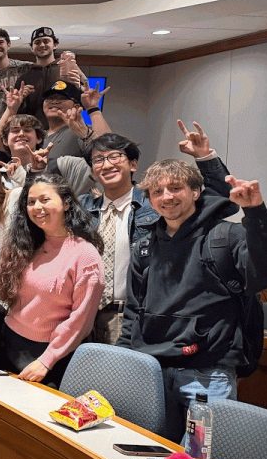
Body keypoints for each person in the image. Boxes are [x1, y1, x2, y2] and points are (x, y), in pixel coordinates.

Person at [122, 161, 267, 433]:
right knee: (149, 454)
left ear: (195, 192)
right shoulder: (144, 246)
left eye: (175, 188)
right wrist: (126, 360)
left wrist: (256, 213)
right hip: (152, 368)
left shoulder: (226, 236)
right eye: (157, 191)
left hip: (208, 374)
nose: (167, 197)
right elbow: (133, 309)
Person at [81, 123, 231, 344]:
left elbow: (221, 201)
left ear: (133, 164)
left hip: (133, 314)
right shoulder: (84, 207)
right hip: (85, 314)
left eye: (114, 157)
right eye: (98, 160)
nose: (106, 165)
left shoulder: (156, 202)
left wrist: (205, 157)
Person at [0, 174, 104, 384]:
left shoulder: (85, 255)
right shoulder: (24, 244)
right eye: (31, 202)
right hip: (7, 343)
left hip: (48, 358)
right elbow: (1, 293)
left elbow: (81, 321)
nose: (37, 207)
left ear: (66, 203)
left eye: (45, 200)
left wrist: (46, 361)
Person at [17, 27, 87, 119]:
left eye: (46, 41)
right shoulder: (25, 77)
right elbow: (17, 111)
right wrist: (21, 100)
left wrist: (79, 88)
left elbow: (85, 104)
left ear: (55, 45)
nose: (42, 45)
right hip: (34, 129)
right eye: (37, 42)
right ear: (31, 48)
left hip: (65, 128)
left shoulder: (69, 70)